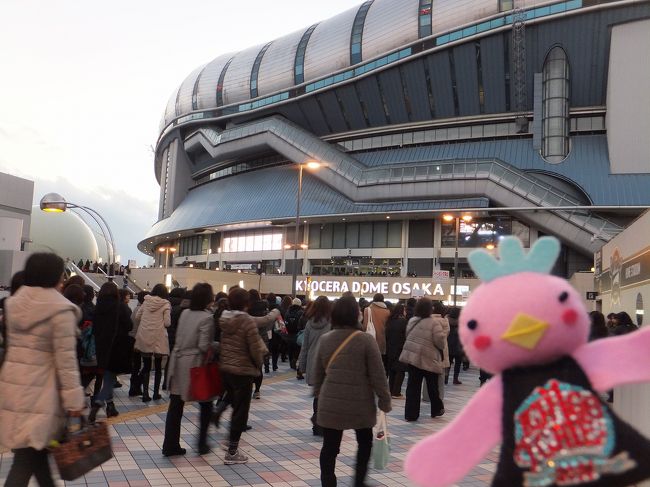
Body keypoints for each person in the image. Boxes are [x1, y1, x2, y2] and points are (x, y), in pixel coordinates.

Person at [0, 253, 85, 486]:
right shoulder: (59, 311)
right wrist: (75, 402)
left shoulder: (15, 304)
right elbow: (66, 362)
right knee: (27, 459)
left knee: (34, 456)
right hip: (42, 394)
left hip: (14, 388)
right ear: (57, 276)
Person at [312, 295, 392, 487]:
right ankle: (358, 482)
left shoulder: (325, 340)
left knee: (330, 447)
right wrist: (384, 400)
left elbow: (317, 376)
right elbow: (378, 375)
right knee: (364, 443)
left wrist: (319, 396)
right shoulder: (365, 340)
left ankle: (328, 483)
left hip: (331, 403)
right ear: (356, 315)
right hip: (360, 404)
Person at [163, 283, 218, 456]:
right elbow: (203, 346)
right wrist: (217, 346)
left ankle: (170, 445)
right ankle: (202, 444)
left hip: (177, 361)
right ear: (208, 299)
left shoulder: (185, 312)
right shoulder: (207, 317)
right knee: (206, 403)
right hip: (195, 364)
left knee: (176, 405)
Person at [218, 287, 268, 464]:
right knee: (240, 412)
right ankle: (232, 452)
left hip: (227, 368)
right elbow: (255, 347)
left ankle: (220, 418)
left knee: (232, 402)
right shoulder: (247, 320)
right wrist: (259, 363)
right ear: (246, 303)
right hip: (243, 370)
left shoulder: (225, 318)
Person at [89, 282, 133, 421]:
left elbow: (94, 328)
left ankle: (110, 406)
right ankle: (99, 401)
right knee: (110, 379)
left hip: (101, 347)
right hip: (117, 346)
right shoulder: (120, 306)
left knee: (108, 376)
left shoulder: (97, 308)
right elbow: (129, 325)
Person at [400, 298, 447, 421]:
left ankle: (411, 414)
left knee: (412, 388)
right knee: (432, 386)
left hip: (413, 358)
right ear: (429, 309)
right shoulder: (434, 323)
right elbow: (440, 342)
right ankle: (436, 409)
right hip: (429, 358)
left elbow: (407, 336)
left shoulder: (412, 321)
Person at [297, 295, 332, 436]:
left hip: (313, 362)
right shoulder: (332, 323)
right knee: (327, 397)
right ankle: (323, 425)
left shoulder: (310, 323)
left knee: (318, 396)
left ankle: (316, 425)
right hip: (327, 363)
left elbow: (304, 347)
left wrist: (302, 366)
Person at [135, 284, 171, 402]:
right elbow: (167, 323)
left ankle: (145, 394)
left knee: (146, 366)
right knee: (158, 366)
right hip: (158, 338)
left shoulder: (146, 302)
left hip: (145, 336)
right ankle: (155, 393)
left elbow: (137, 316)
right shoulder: (165, 304)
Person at [249, 289, 270, 398]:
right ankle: (257, 390)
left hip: (250, 338)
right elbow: (268, 323)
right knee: (259, 365)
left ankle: (248, 388)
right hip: (262, 338)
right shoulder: (265, 308)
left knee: (249, 364)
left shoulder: (248, 307)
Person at [362, 293, 391, 369]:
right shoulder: (387, 312)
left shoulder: (367, 310)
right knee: (379, 364)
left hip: (370, 339)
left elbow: (365, 326)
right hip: (383, 340)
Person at [385, 303, 408, 398]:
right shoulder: (403, 322)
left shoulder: (390, 321)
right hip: (400, 348)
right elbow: (406, 335)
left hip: (390, 348)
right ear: (402, 311)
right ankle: (396, 392)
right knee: (400, 371)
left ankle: (391, 390)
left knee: (392, 371)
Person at [284, 297, 304, 375]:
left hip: (289, 333)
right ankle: (294, 360)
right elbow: (301, 323)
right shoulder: (301, 312)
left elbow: (285, 322)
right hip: (297, 333)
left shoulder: (288, 312)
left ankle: (290, 362)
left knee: (290, 348)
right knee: (297, 348)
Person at [445, 307, 464, 385]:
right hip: (458, 345)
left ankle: (445, 378)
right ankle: (455, 379)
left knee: (447, 363)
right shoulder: (461, 322)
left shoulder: (446, 321)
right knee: (458, 364)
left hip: (448, 344)